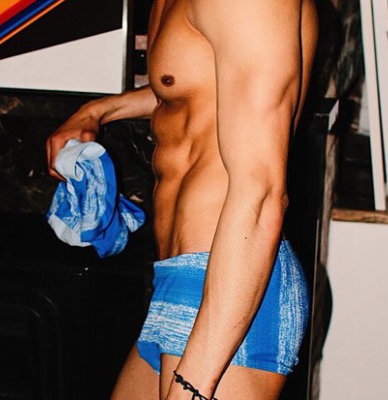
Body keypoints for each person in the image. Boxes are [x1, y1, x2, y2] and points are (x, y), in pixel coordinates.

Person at [46, 0, 318, 398]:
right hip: (178, 278)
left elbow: (261, 194)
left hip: (234, 283)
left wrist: (193, 386)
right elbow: (188, 84)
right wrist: (97, 111)